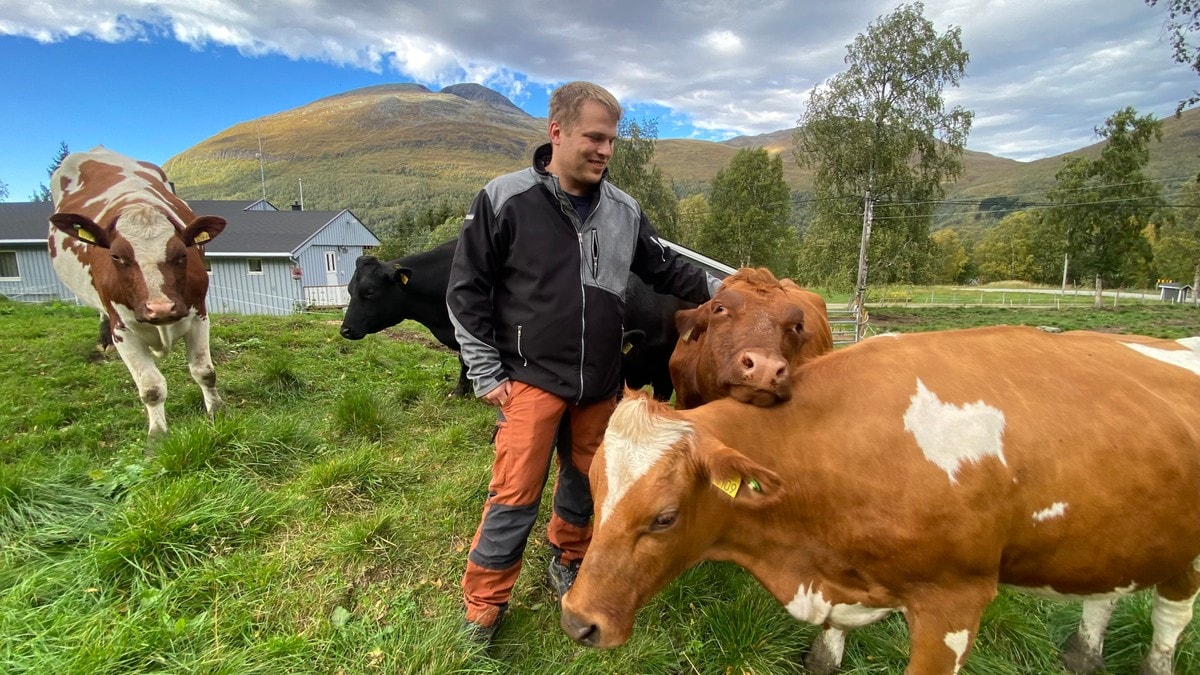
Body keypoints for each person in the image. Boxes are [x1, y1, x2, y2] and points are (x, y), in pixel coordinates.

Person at [446, 81, 722, 643]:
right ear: (557, 132)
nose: (604, 150)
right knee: (513, 495)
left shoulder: (624, 211)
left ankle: (568, 558)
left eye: (612, 141)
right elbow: (465, 289)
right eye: (594, 137)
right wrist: (486, 373)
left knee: (584, 484)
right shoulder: (504, 199)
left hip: (599, 385)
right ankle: (483, 608)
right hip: (528, 381)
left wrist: (732, 291)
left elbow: (666, 270)